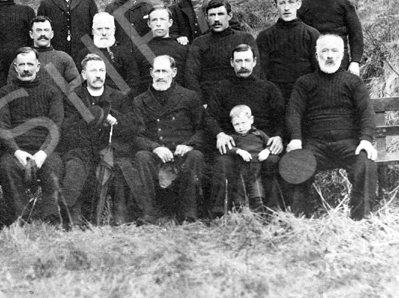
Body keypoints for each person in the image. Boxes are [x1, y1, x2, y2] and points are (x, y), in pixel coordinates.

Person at [286, 34, 377, 220]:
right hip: (315, 145)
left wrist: (366, 140)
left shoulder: (353, 82)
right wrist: (295, 139)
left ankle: (362, 217)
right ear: (316, 54)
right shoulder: (304, 83)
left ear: (343, 54)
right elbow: (294, 112)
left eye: (334, 51)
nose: (329, 55)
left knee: (366, 163)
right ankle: (300, 220)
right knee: (296, 164)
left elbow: (366, 112)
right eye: (324, 51)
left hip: (348, 144)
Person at [60, 54, 144, 225]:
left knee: (123, 168)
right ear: (83, 75)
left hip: (112, 149)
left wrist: (113, 118)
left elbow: (133, 127)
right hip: (82, 149)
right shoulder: (73, 98)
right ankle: (73, 217)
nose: (98, 75)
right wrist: (95, 118)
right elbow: (67, 130)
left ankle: (121, 216)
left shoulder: (119, 97)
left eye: (101, 70)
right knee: (75, 167)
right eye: (93, 71)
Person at [206, 44, 285, 213]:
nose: (243, 65)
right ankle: (222, 212)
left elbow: (281, 117)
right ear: (232, 63)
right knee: (222, 162)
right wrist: (219, 134)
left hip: (261, 144)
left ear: (254, 62)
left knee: (273, 162)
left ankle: (273, 212)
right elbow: (209, 116)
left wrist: (277, 137)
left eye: (247, 60)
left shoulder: (268, 88)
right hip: (233, 143)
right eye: (239, 61)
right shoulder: (221, 88)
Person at [132, 55, 206, 223]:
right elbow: (136, 135)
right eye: (156, 71)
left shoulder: (189, 97)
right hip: (157, 154)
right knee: (141, 157)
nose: (160, 76)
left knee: (196, 156)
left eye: (164, 71)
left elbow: (202, 129)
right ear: (151, 73)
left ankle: (188, 214)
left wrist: (189, 145)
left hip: (183, 153)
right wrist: (155, 147)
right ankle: (148, 214)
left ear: (174, 72)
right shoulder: (140, 101)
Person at [0, 47, 65, 224]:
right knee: (6, 167)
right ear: (15, 68)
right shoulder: (4, 93)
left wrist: (43, 153)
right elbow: (2, 126)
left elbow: (56, 126)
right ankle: (21, 218)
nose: (26, 68)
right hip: (16, 150)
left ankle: (51, 219)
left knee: (54, 166)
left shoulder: (52, 92)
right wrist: (16, 152)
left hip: (44, 150)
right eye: (22, 65)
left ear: (38, 66)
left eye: (30, 64)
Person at [184, 0, 260, 104]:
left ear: (229, 16)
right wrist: (201, 103)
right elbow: (191, 75)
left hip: (241, 99)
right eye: (212, 15)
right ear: (206, 18)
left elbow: (256, 71)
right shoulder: (199, 43)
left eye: (220, 14)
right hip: (209, 101)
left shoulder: (245, 39)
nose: (216, 19)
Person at [298, 0, 363, 75]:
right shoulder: (302, 7)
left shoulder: (344, 5)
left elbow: (356, 35)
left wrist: (355, 62)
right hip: (311, 65)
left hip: (340, 63)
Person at [257, 0, 320, 103]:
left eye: (291, 2)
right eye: (282, 3)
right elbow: (262, 72)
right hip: (276, 96)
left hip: (305, 95)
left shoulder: (312, 34)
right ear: (275, 5)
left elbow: (317, 70)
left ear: (298, 4)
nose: (286, 8)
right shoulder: (264, 36)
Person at [6, 16, 79, 92]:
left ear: (52, 34)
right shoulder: (21, 59)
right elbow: (11, 87)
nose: (43, 34)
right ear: (31, 34)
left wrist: (58, 101)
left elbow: (76, 84)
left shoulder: (63, 58)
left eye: (46, 30)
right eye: (38, 30)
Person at [223, 105, 275, 212]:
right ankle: (240, 212)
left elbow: (271, 144)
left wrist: (267, 151)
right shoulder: (234, 137)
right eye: (236, 124)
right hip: (241, 169)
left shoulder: (259, 134)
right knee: (239, 190)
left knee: (257, 189)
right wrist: (239, 151)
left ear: (251, 120)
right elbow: (227, 149)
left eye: (243, 123)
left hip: (257, 169)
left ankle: (259, 212)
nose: (240, 127)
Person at [74, 12, 138, 96]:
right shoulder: (83, 54)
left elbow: (133, 82)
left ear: (114, 30)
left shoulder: (124, 53)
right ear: (93, 31)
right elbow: (78, 83)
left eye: (107, 28)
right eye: (99, 29)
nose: (104, 33)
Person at [133, 5, 188, 93]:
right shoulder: (141, 50)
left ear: (170, 22)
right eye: (154, 20)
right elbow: (136, 83)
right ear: (149, 23)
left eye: (162, 19)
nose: (158, 24)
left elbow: (189, 79)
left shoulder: (183, 48)